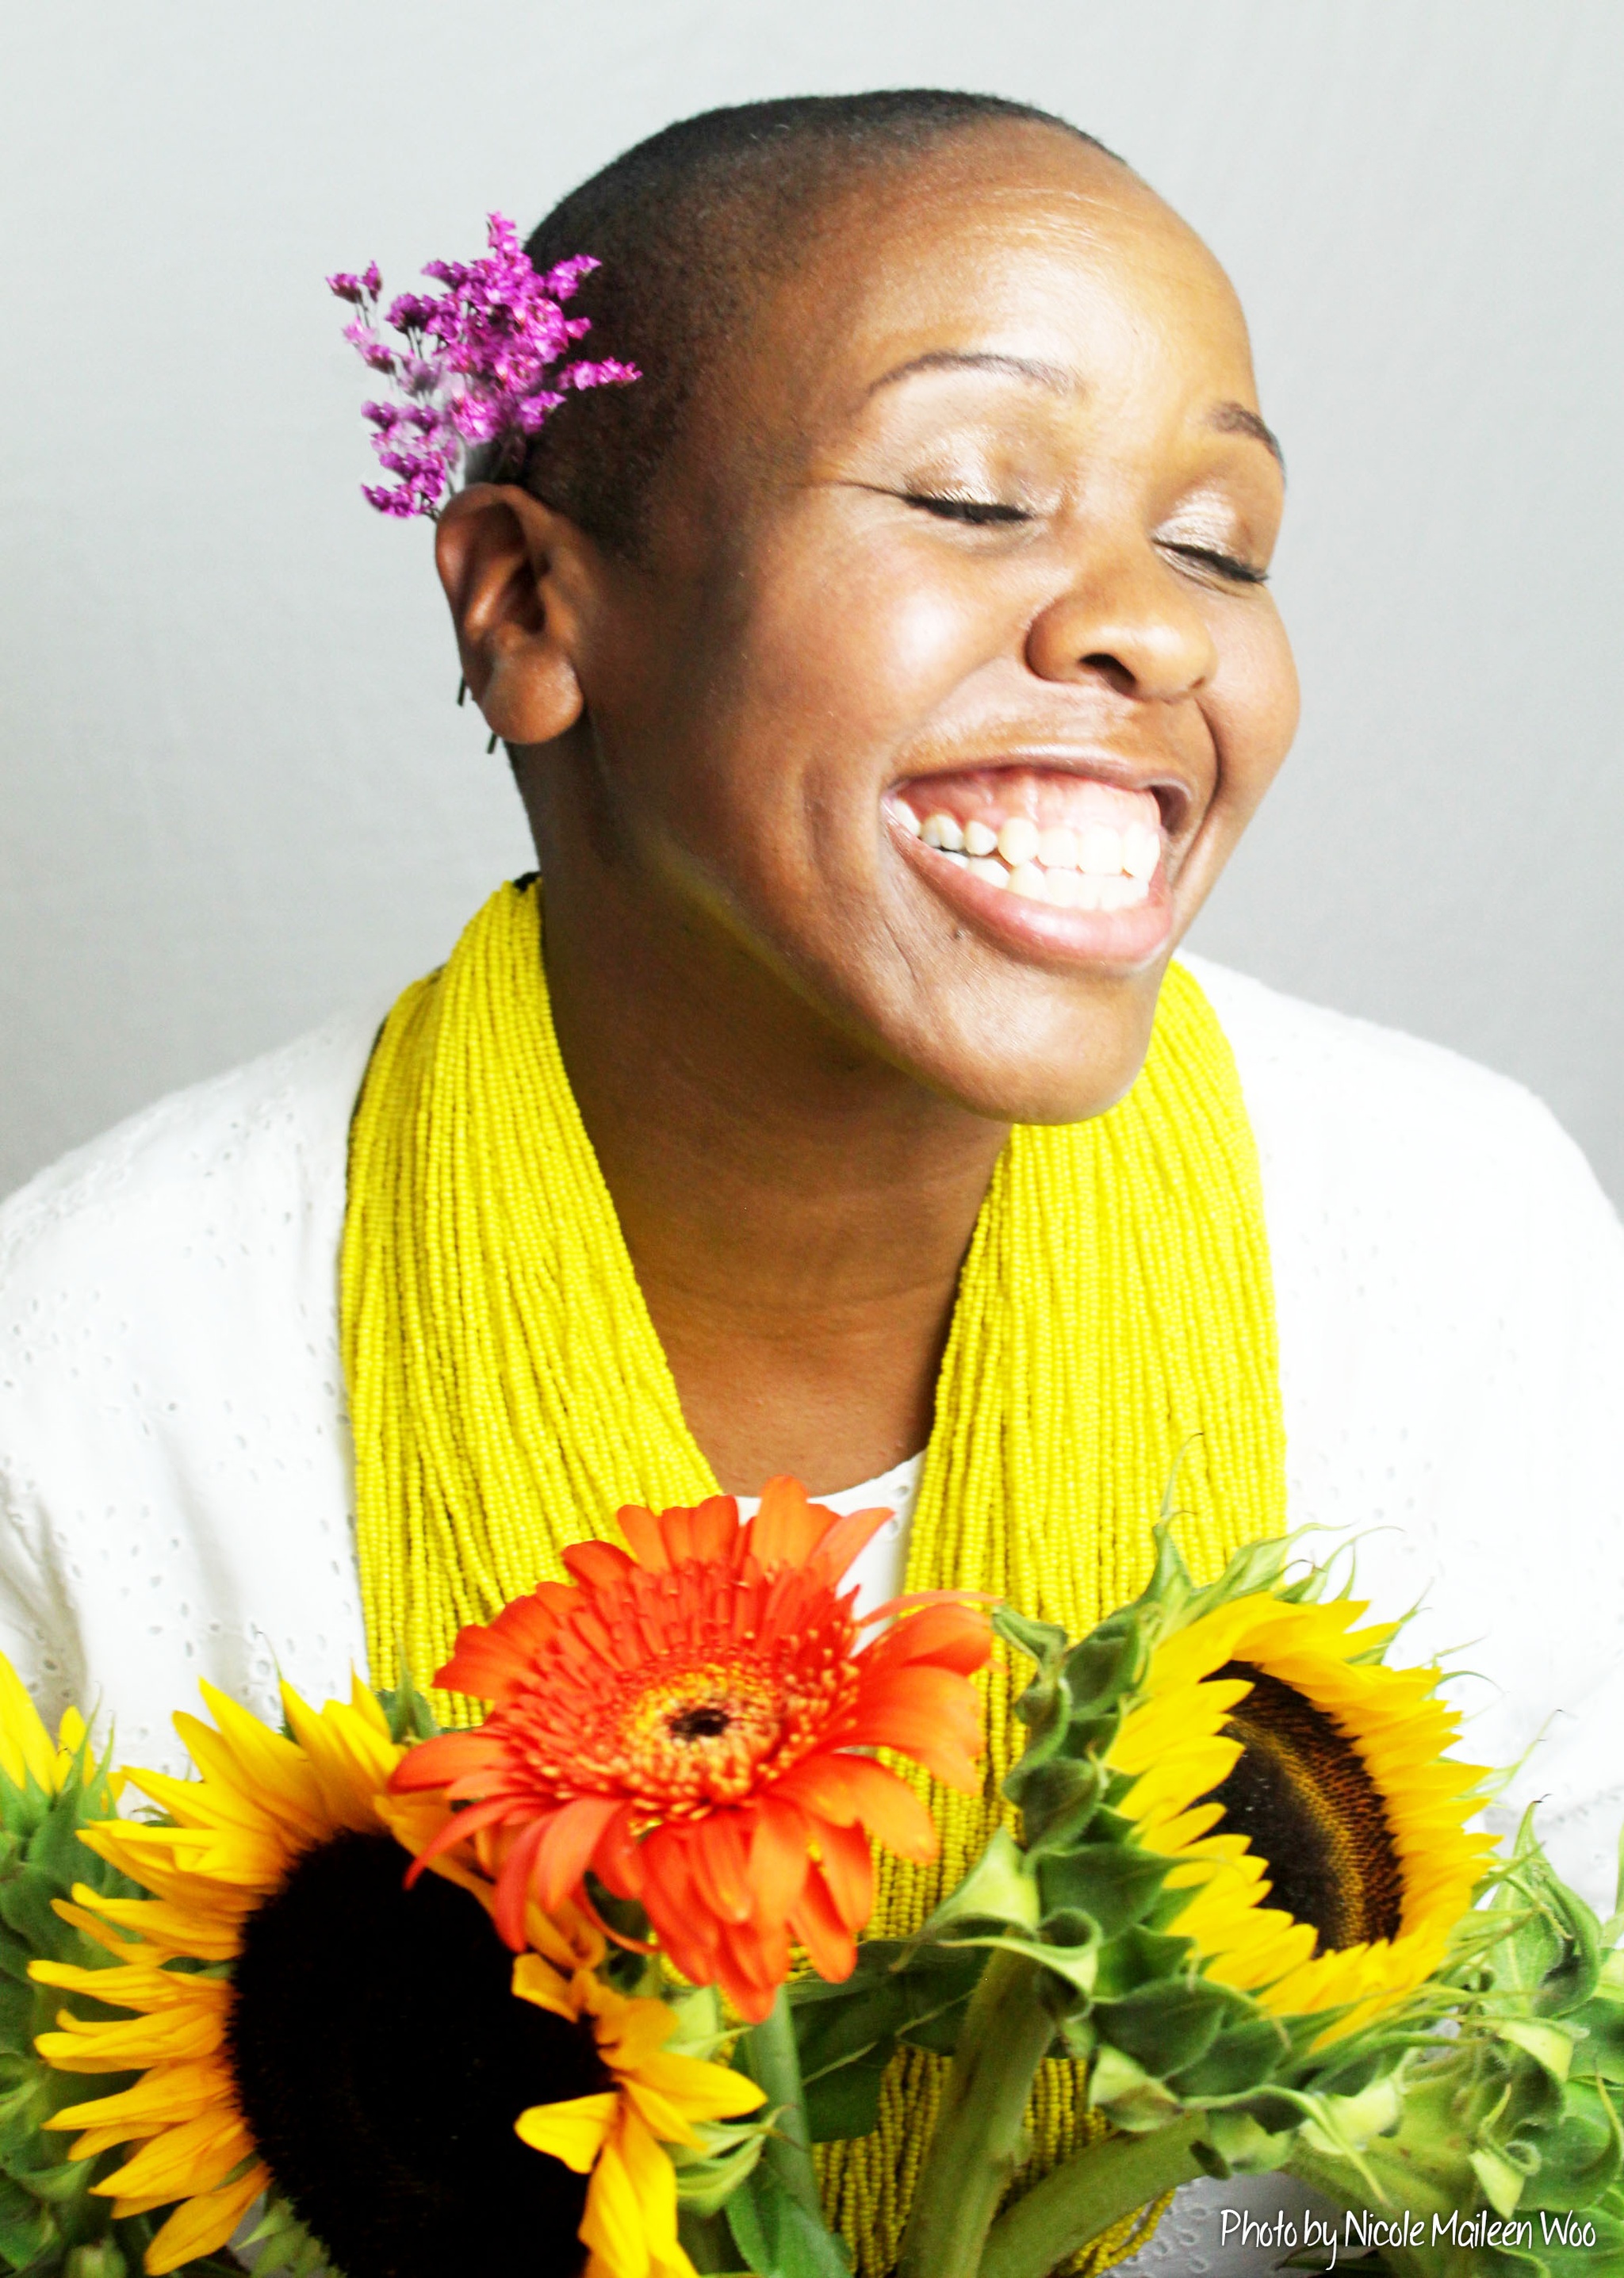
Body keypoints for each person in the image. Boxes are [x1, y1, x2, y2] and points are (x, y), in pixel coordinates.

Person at [1, 92, 1620, 2277]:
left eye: (1225, 543)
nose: (1155, 627)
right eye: (973, 493)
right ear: (528, 603)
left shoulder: (1465, 1250)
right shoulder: (92, 1367)